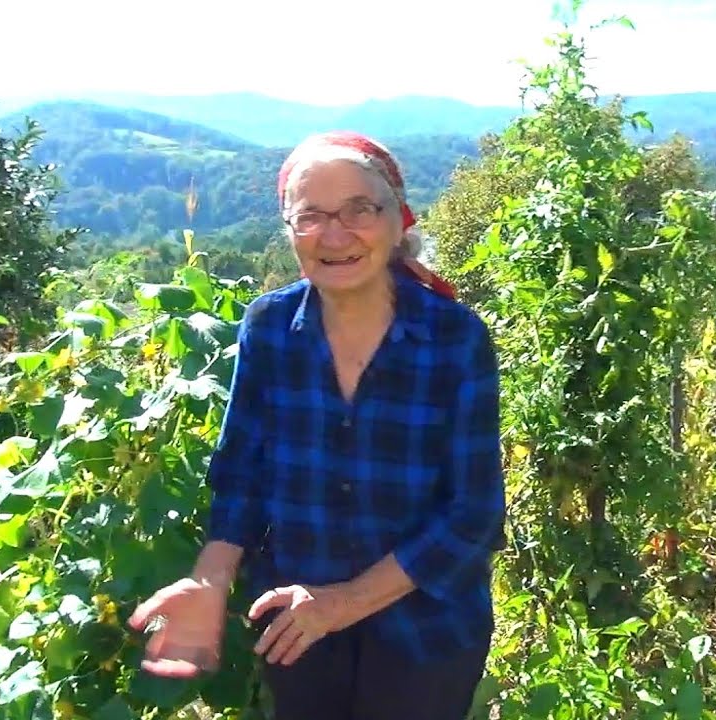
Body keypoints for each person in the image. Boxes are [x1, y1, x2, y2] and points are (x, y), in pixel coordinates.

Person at [127, 131, 506, 720]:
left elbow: (472, 514)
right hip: (299, 634)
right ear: (289, 230)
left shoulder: (454, 337)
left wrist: (342, 603)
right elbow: (242, 477)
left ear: (398, 219)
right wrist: (210, 580)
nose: (335, 235)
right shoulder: (270, 326)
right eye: (311, 217)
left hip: (427, 634)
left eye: (360, 209)